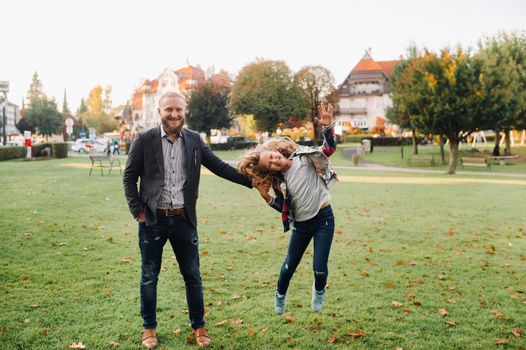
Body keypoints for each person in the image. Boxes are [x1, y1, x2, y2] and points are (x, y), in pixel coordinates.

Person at [123, 91, 252, 349]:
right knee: (149, 276)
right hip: (152, 220)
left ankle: (199, 327)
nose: (174, 114)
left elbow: (219, 166)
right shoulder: (144, 139)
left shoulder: (194, 140)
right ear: (159, 111)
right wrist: (138, 211)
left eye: (179, 110)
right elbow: (129, 177)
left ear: (185, 111)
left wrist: (251, 180)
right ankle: (149, 329)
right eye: (169, 109)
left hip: (184, 219)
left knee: (193, 276)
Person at [238, 103, 337, 315]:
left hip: (324, 219)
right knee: (289, 266)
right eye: (270, 164)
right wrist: (266, 198)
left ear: (276, 151)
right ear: (269, 171)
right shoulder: (279, 183)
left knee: (320, 268)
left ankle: (319, 291)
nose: (275, 160)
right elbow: (284, 210)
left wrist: (327, 128)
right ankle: (280, 294)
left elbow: (327, 150)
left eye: (273, 156)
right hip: (301, 225)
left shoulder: (303, 157)